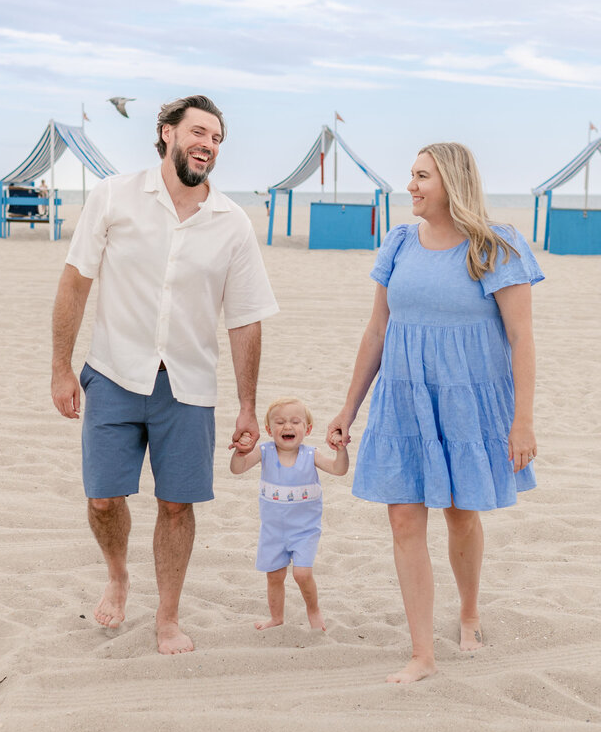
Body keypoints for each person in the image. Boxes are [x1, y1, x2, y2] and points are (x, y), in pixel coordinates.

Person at [51, 94, 279, 655]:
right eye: (199, 132)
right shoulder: (114, 196)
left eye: (218, 138)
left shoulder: (231, 223)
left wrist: (248, 405)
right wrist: (60, 367)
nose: (209, 144)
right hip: (111, 373)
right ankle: (118, 575)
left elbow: (245, 318)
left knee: (177, 505)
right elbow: (76, 282)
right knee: (104, 498)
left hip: (190, 386)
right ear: (167, 133)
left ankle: (168, 616)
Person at [327, 142, 543, 683]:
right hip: (402, 398)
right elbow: (377, 330)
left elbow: (521, 339)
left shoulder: (496, 246)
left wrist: (523, 420)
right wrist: (348, 409)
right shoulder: (398, 242)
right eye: (412, 176)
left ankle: (468, 611)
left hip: (466, 401)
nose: (412, 186)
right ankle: (422, 653)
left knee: (461, 514)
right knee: (403, 519)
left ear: (451, 182)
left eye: (422, 176)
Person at [230, 397, 349, 631]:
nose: (287, 426)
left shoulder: (310, 455)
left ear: (308, 429)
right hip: (272, 532)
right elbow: (237, 469)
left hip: (304, 531)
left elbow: (339, 469)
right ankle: (276, 617)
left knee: (302, 574)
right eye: (280, 422)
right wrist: (241, 452)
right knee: (274, 577)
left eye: (295, 421)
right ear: (268, 429)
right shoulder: (264, 452)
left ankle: (313, 610)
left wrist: (341, 451)